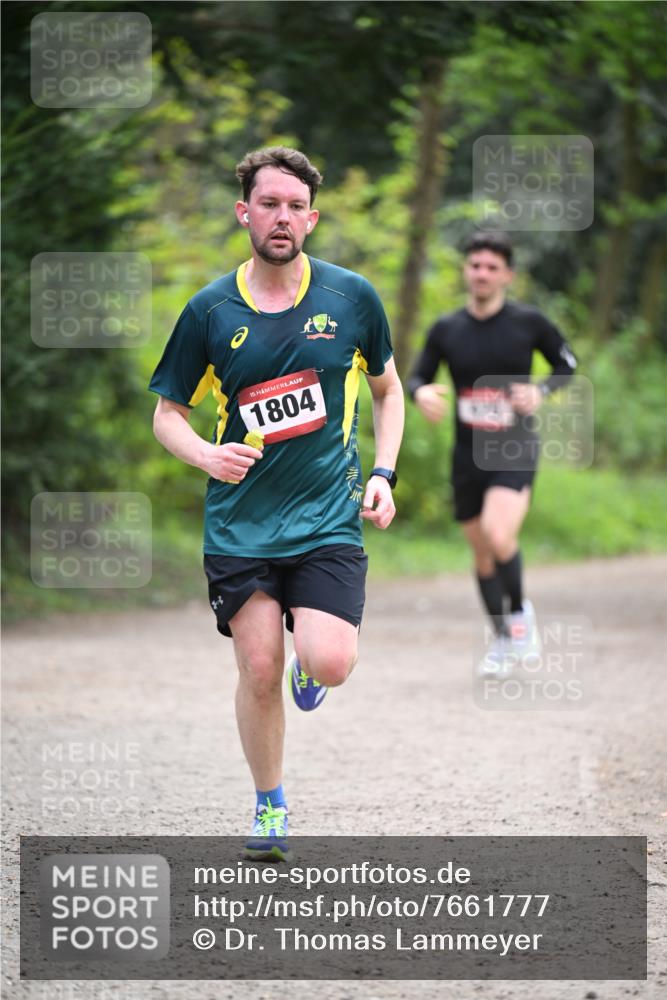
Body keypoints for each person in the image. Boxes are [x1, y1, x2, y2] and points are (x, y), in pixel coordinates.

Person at [149, 146, 404, 860]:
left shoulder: (351, 299)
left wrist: (383, 473)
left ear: (312, 219)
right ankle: (269, 804)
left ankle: (309, 666)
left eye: (296, 206)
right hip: (241, 524)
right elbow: (167, 415)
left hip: (326, 518)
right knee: (257, 669)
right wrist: (206, 454)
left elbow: (388, 391)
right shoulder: (209, 311)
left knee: (331, 662)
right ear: (245, 213)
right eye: (269, 204)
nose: (282, 217)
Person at [407, 231, 576, 676]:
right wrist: (421, 392)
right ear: (467, 271)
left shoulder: (529, 322)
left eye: (491, 267)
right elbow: (416, 376)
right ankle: (502, 639)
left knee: (499, 536)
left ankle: (519, 617)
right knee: (483, 554)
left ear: (507, 275)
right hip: (467, 454)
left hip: (514, 447)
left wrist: (540, 391)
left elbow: (567, 364)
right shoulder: (446, 328)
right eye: (475, 265)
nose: (481, 273)